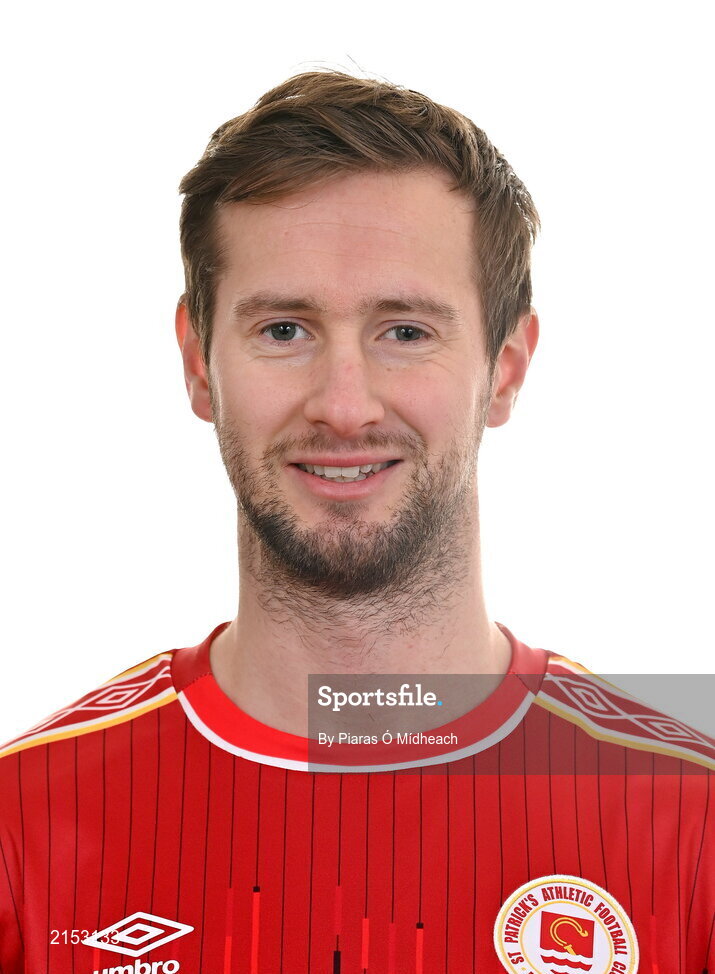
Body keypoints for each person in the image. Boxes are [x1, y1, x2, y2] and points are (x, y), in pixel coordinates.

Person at [0, 70, 712, 974]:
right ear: (198, 364)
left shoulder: (689, 816)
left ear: (505, 369)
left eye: (405, 331)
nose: (343, 407)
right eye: (284, 331)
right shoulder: (22, 823)